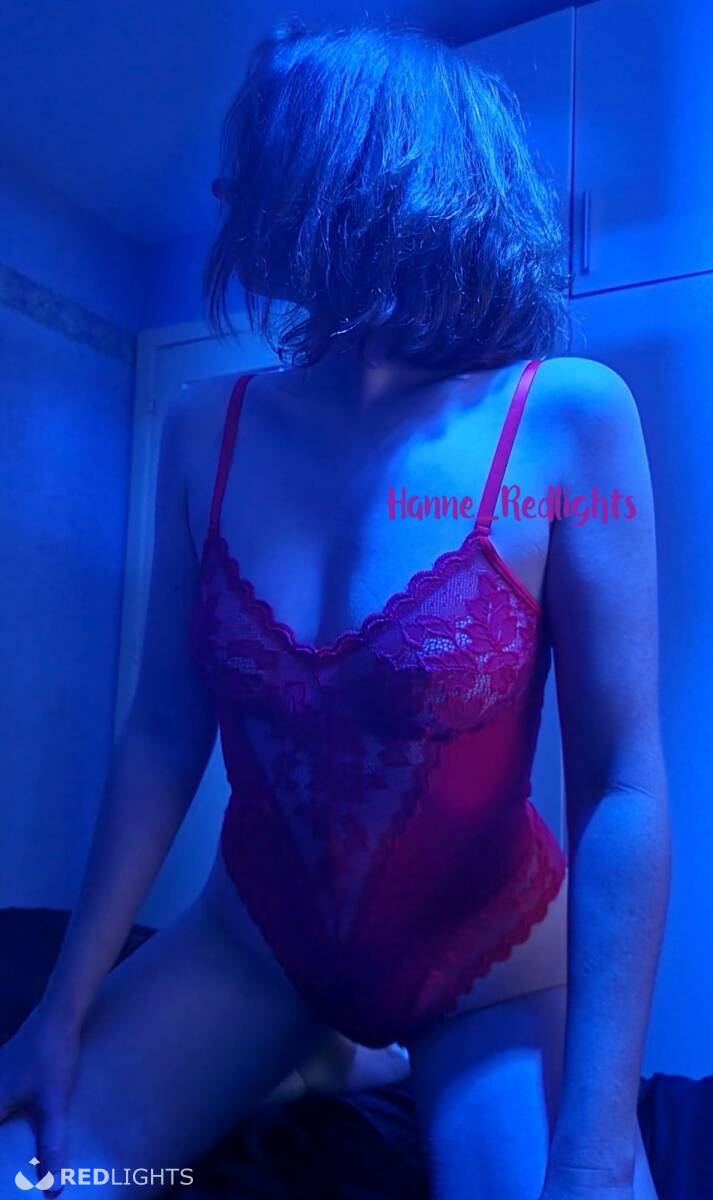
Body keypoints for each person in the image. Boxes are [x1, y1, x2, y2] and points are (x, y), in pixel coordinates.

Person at [0, 23, 669, 1200]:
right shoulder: (203, 427)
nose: (222, 194)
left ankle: (346, 1059)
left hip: (491, 960)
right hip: (255, 939)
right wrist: (61, 1008)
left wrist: (596, 1135)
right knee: (30, 1183)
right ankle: (324, 1050)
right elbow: (161, 731)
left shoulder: (566, 418)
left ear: (359, 162)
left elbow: (622, 781)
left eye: (252, 158)